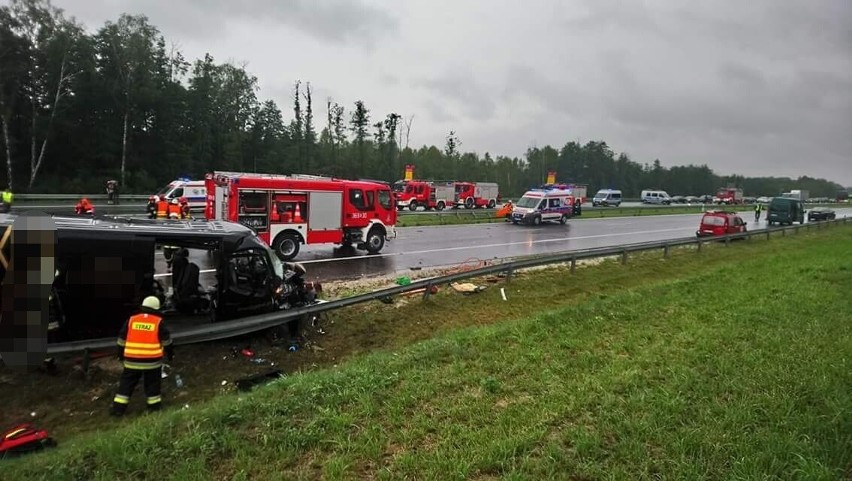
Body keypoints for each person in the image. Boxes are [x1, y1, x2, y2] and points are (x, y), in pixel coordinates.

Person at [110, 296, 174, 416]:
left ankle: (118, 410)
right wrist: (170, 355)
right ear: (157, 309)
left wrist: (120, 355)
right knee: (153, 385)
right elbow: (167, 342)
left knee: (126, 385)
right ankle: (154, 408)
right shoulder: (158, 322)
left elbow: (121, 340)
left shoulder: (132, 320)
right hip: (152, 362)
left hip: (131, 361)